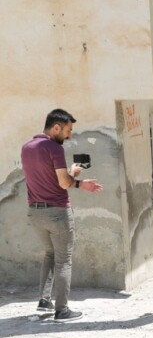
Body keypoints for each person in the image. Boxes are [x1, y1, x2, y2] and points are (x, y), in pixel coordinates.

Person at [21, 108, 103, 323]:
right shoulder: (53, 148)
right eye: (68, 130)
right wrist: (79, 183)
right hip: (57, 211)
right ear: (56, 127)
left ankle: (44, 300)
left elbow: (49, 176)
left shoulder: (27, 147)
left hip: (35, 212)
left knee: (49, 255)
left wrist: (71, 172)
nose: (70, 135)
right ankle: (62, 310)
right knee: (64, 261)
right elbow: (63, 183)